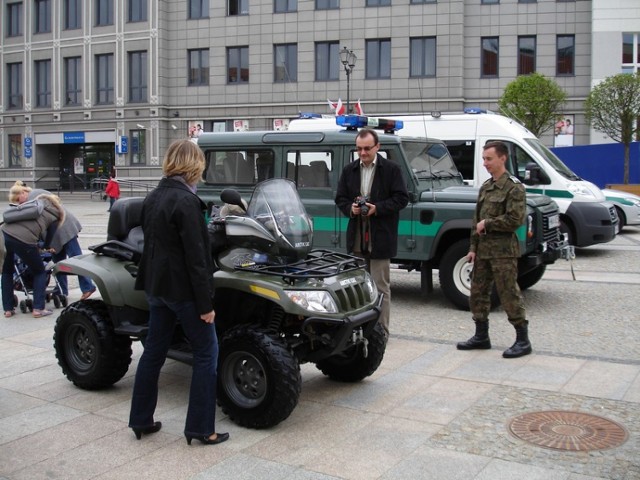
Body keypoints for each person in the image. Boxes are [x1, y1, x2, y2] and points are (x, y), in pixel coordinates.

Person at [128, 139, 228, 446]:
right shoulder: (186, 202)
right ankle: (201, 428)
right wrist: (205, 304)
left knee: (154, 353)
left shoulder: (154, 197)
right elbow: (197, 259)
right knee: (206, 354)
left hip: (157, 289)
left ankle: (140, 419)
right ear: (193, 165)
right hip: (183, 291)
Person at [456, 141, 532, 358]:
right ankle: (481, 336)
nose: (485, 163)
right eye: (484, 159)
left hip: (503, 253)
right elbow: (475, 220)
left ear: (502, 158)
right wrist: (473, 247)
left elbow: (515, 219)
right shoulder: (487, 186)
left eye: (489, 159)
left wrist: (488, 224)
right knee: (478, 294)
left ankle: (522, 339)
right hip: (483, 252)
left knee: (509, 294)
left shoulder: (514, 187)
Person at [335, 128, 409, 337]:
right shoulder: (349, 170)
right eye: (359, 149)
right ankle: (360, 330)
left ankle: (381, 332)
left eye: (367, 148)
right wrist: (351, 208)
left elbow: (402, 198)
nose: (363, 153)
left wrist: (378, 208)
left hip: (381, 235)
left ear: (378, 147)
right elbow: (340, 198)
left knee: (380, 286)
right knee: (358, 287)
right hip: (357, 234)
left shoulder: (391, 170)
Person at [2, 184, 65, 318]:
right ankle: (38, 308)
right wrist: (45, 247)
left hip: (3, 235)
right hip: (23, 240)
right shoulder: (55, 215)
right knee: (39, 271)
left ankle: (8, 309)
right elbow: (49, 238)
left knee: (7, 271)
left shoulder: (31, 206)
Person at [24, 186, 96, 301]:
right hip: (56, 232)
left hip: (64, 228)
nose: (18, 202)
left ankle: (87, 287)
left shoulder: (33, 197)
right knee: (59, 263)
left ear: (23, 192)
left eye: (18, 199)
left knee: (76, 259)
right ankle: (61, 290)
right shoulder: (34, 196)